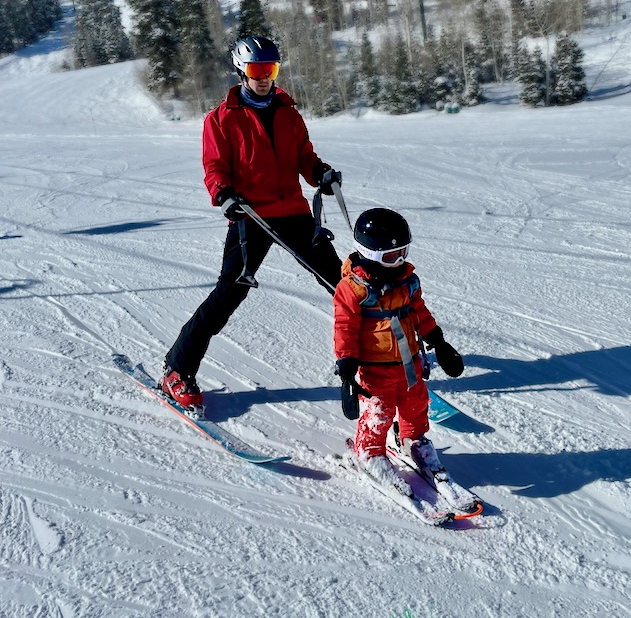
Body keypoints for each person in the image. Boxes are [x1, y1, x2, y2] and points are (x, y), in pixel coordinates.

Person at [161, 34, 342, 413]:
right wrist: (224, 193)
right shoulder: (221, 118)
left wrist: (320, 173)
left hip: (292, 211)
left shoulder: (288, 112)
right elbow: (214, 168)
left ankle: (383, 355)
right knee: (229, 292)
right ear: (242, 70)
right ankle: (177, 369)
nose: (264, 77)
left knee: (342, 283)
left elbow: (304, 157)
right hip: (250, 215)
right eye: (257, 69)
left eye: (270, 69)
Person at [333, 207, 464, 492]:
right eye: (392, 256)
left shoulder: (407, 280)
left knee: (416, 406)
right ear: (370, 253)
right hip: (375, 368)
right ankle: (370, 452)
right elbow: (344, 326)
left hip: (410, 363)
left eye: (403, 252)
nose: (400, 260)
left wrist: (439, 343)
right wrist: (346, 364)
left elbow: (420, 312)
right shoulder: (353, 289)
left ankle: (413, 441)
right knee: (379, 412)